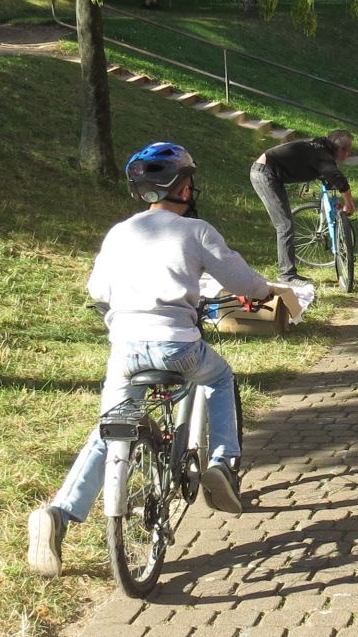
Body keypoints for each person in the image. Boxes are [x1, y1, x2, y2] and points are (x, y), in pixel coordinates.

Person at [27, 142, 275, 578]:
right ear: (181, 187)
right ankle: (220, 462)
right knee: (218, 376)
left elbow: (98, 291)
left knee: (112, 426)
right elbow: (242, 281)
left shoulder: (120, 232)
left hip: (124, 348)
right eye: (190, 181)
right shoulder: (196, 230)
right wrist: (265, 291)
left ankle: (60, 514)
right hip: (178, 345)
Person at [250, 131, 357, 284]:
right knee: (285, 225)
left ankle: (288, 274)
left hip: (271, 172)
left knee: (286, 223)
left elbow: (325, 174)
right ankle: (287, 275)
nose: (349, 154)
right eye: (346, 150)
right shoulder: (321, 153)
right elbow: (336, 177)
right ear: (337, 148)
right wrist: (349, 203)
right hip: (264, 173)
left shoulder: (320, 148)